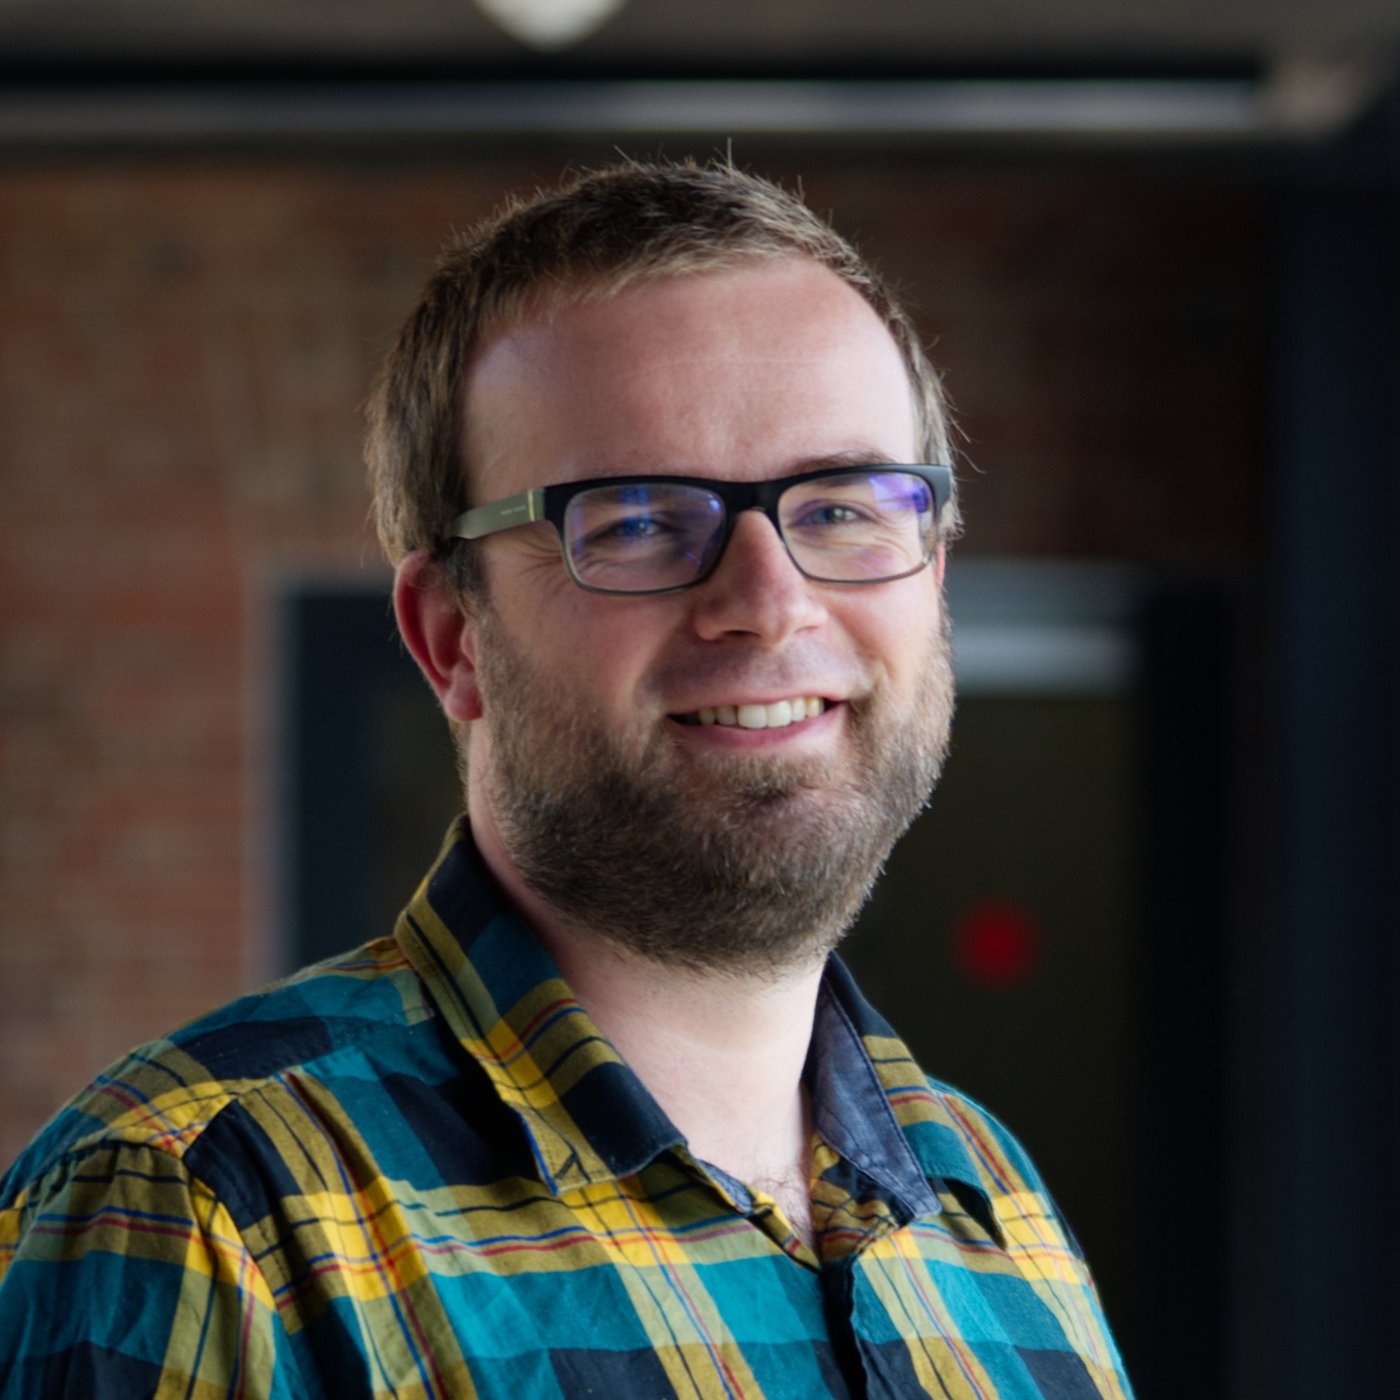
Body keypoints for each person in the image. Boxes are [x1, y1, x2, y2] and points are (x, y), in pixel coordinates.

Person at [0, 161, 1132, 1399]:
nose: (767, 602)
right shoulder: (204, 1212)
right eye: (638, 520)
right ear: (451, 638)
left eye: (846, 506)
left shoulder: (996, 1215)